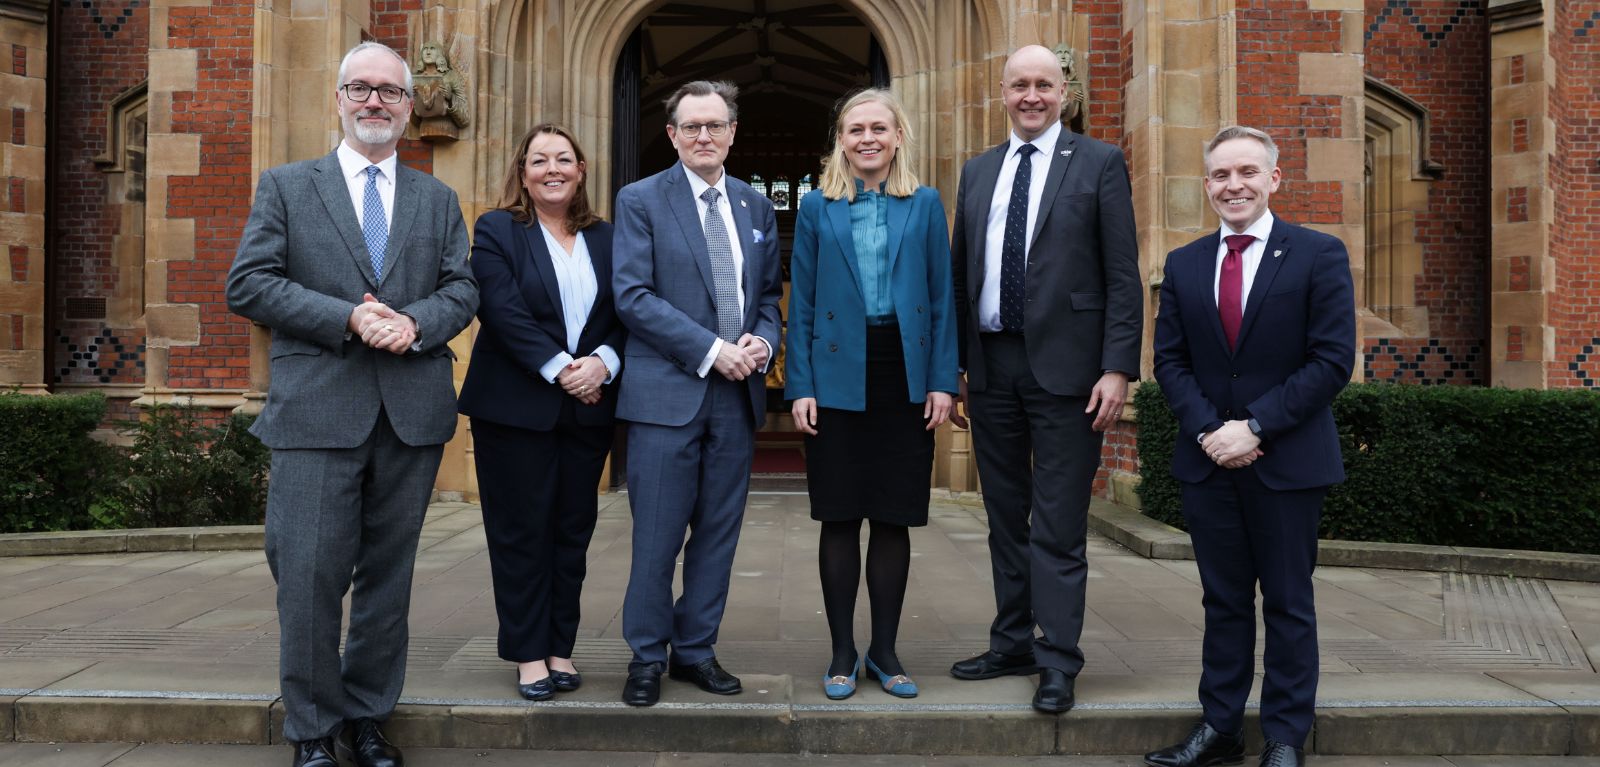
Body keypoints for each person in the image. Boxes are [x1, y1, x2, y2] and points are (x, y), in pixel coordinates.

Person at [225, 42, 478, 767]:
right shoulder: (287, 186)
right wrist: (348, 316)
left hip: (410, 411)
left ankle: (368, 719)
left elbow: (463, 288)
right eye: (360, 89)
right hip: (315, 413)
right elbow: (249, 284)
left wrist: (416, 322)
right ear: (336, 99)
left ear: (408, 106)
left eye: (390, 92)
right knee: (306, 575)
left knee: (385, 581)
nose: (375, 102)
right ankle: (311, 730)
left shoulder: (436, 198)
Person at [1146, 126, 1354, 767]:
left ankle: (1286, 737)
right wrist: (1212, 431)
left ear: (1273, 178)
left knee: (1290, 601)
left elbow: (1332, 360)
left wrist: (1255, 426)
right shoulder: (1183, 264)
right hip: (1209, 464)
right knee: (1224, 601)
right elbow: (1171, 363)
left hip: (1287, 461)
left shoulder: (1318, 254)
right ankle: (1221, 728)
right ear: (1205, 184)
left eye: (1246, 173)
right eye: (1219, 175)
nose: (1232, 185)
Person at [947, 44, 1143, 714]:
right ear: (1002, 92)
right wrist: (959, 368)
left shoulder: (1099, 162)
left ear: (1064, 92)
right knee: (1005, 515)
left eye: (1044, 85)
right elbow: (959, 276)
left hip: (1071, 371)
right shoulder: (977, 172)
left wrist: (1118, 367)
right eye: (1019, 85)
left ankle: (1057, 657)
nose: (1031, 95)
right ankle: (1012, 640)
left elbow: (1123, 273)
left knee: (1057, 523)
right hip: (993, 367)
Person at [611, 80, 784, 707]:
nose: (704, 136)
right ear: (672, 135)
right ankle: (646, 656)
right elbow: (633, 296)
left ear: (732, 133)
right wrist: (714, 351)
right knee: (656, 534)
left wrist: (763, 344)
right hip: (667, 394)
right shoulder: (640, 199)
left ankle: (696, 651)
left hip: (736, 398)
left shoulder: (753, 206)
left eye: (715, 126)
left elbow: (766, 298)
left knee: (718, 534)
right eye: (692, 127)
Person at [786, 88, 958, 700]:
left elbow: (942, 300)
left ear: (898, 137)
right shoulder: (815, 208)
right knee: (838, 516)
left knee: (893, 517)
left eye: (878, 128)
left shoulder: (927, 203)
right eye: (855, 128)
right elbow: (800, 302)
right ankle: (841, 652)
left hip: (903, 374)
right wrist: (798, 385)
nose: (867, 138)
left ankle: (884, 651)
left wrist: (942, 381)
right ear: (841, 139)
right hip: (835, 375)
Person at [456, 123, 623, 702]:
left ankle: (561, 647)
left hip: (590, 408)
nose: (552, 169)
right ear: (522, 173)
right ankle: (529, 653)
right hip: (515, 408)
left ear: (580, 170)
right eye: (539, 160)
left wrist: (602, 362)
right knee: (521, 533)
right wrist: (562, 370)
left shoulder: (607, 236)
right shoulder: (499, 228)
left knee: (572, 532)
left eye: (563, 159)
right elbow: (499, 308)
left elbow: (629, 308)